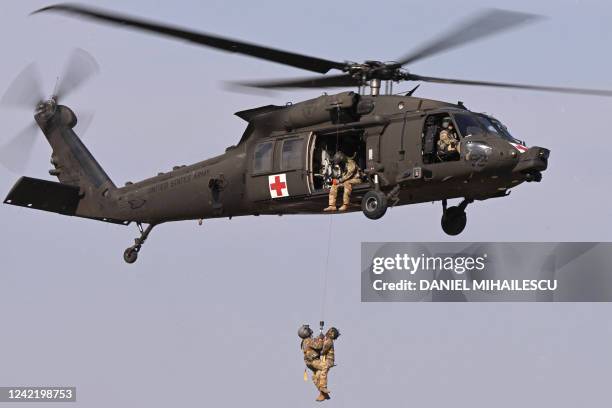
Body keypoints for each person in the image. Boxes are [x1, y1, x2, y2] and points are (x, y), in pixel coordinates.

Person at [298, 324, 329, 401]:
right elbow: (318, 346)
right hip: (314, 361)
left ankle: (323, 394)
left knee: (316, 375)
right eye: (308, 330)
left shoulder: (304, 341)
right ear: (305, 332)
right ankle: (323, 388)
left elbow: (314, 344)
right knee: (325, 366)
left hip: (309, 363)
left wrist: (319, 338)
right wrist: (321, 339)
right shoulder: (308, 340)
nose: (310, 331)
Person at [317, 327, 340, 398]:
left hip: (329, 361)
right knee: (317, 374)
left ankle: (323, 387)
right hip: (326, 360)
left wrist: (320, 341)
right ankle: (322, 392)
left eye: (330, 331)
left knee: (324, 370)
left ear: (332, 334)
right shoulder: (327, 340)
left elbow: (323, 351)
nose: (328, 331)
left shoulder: (329, 341)